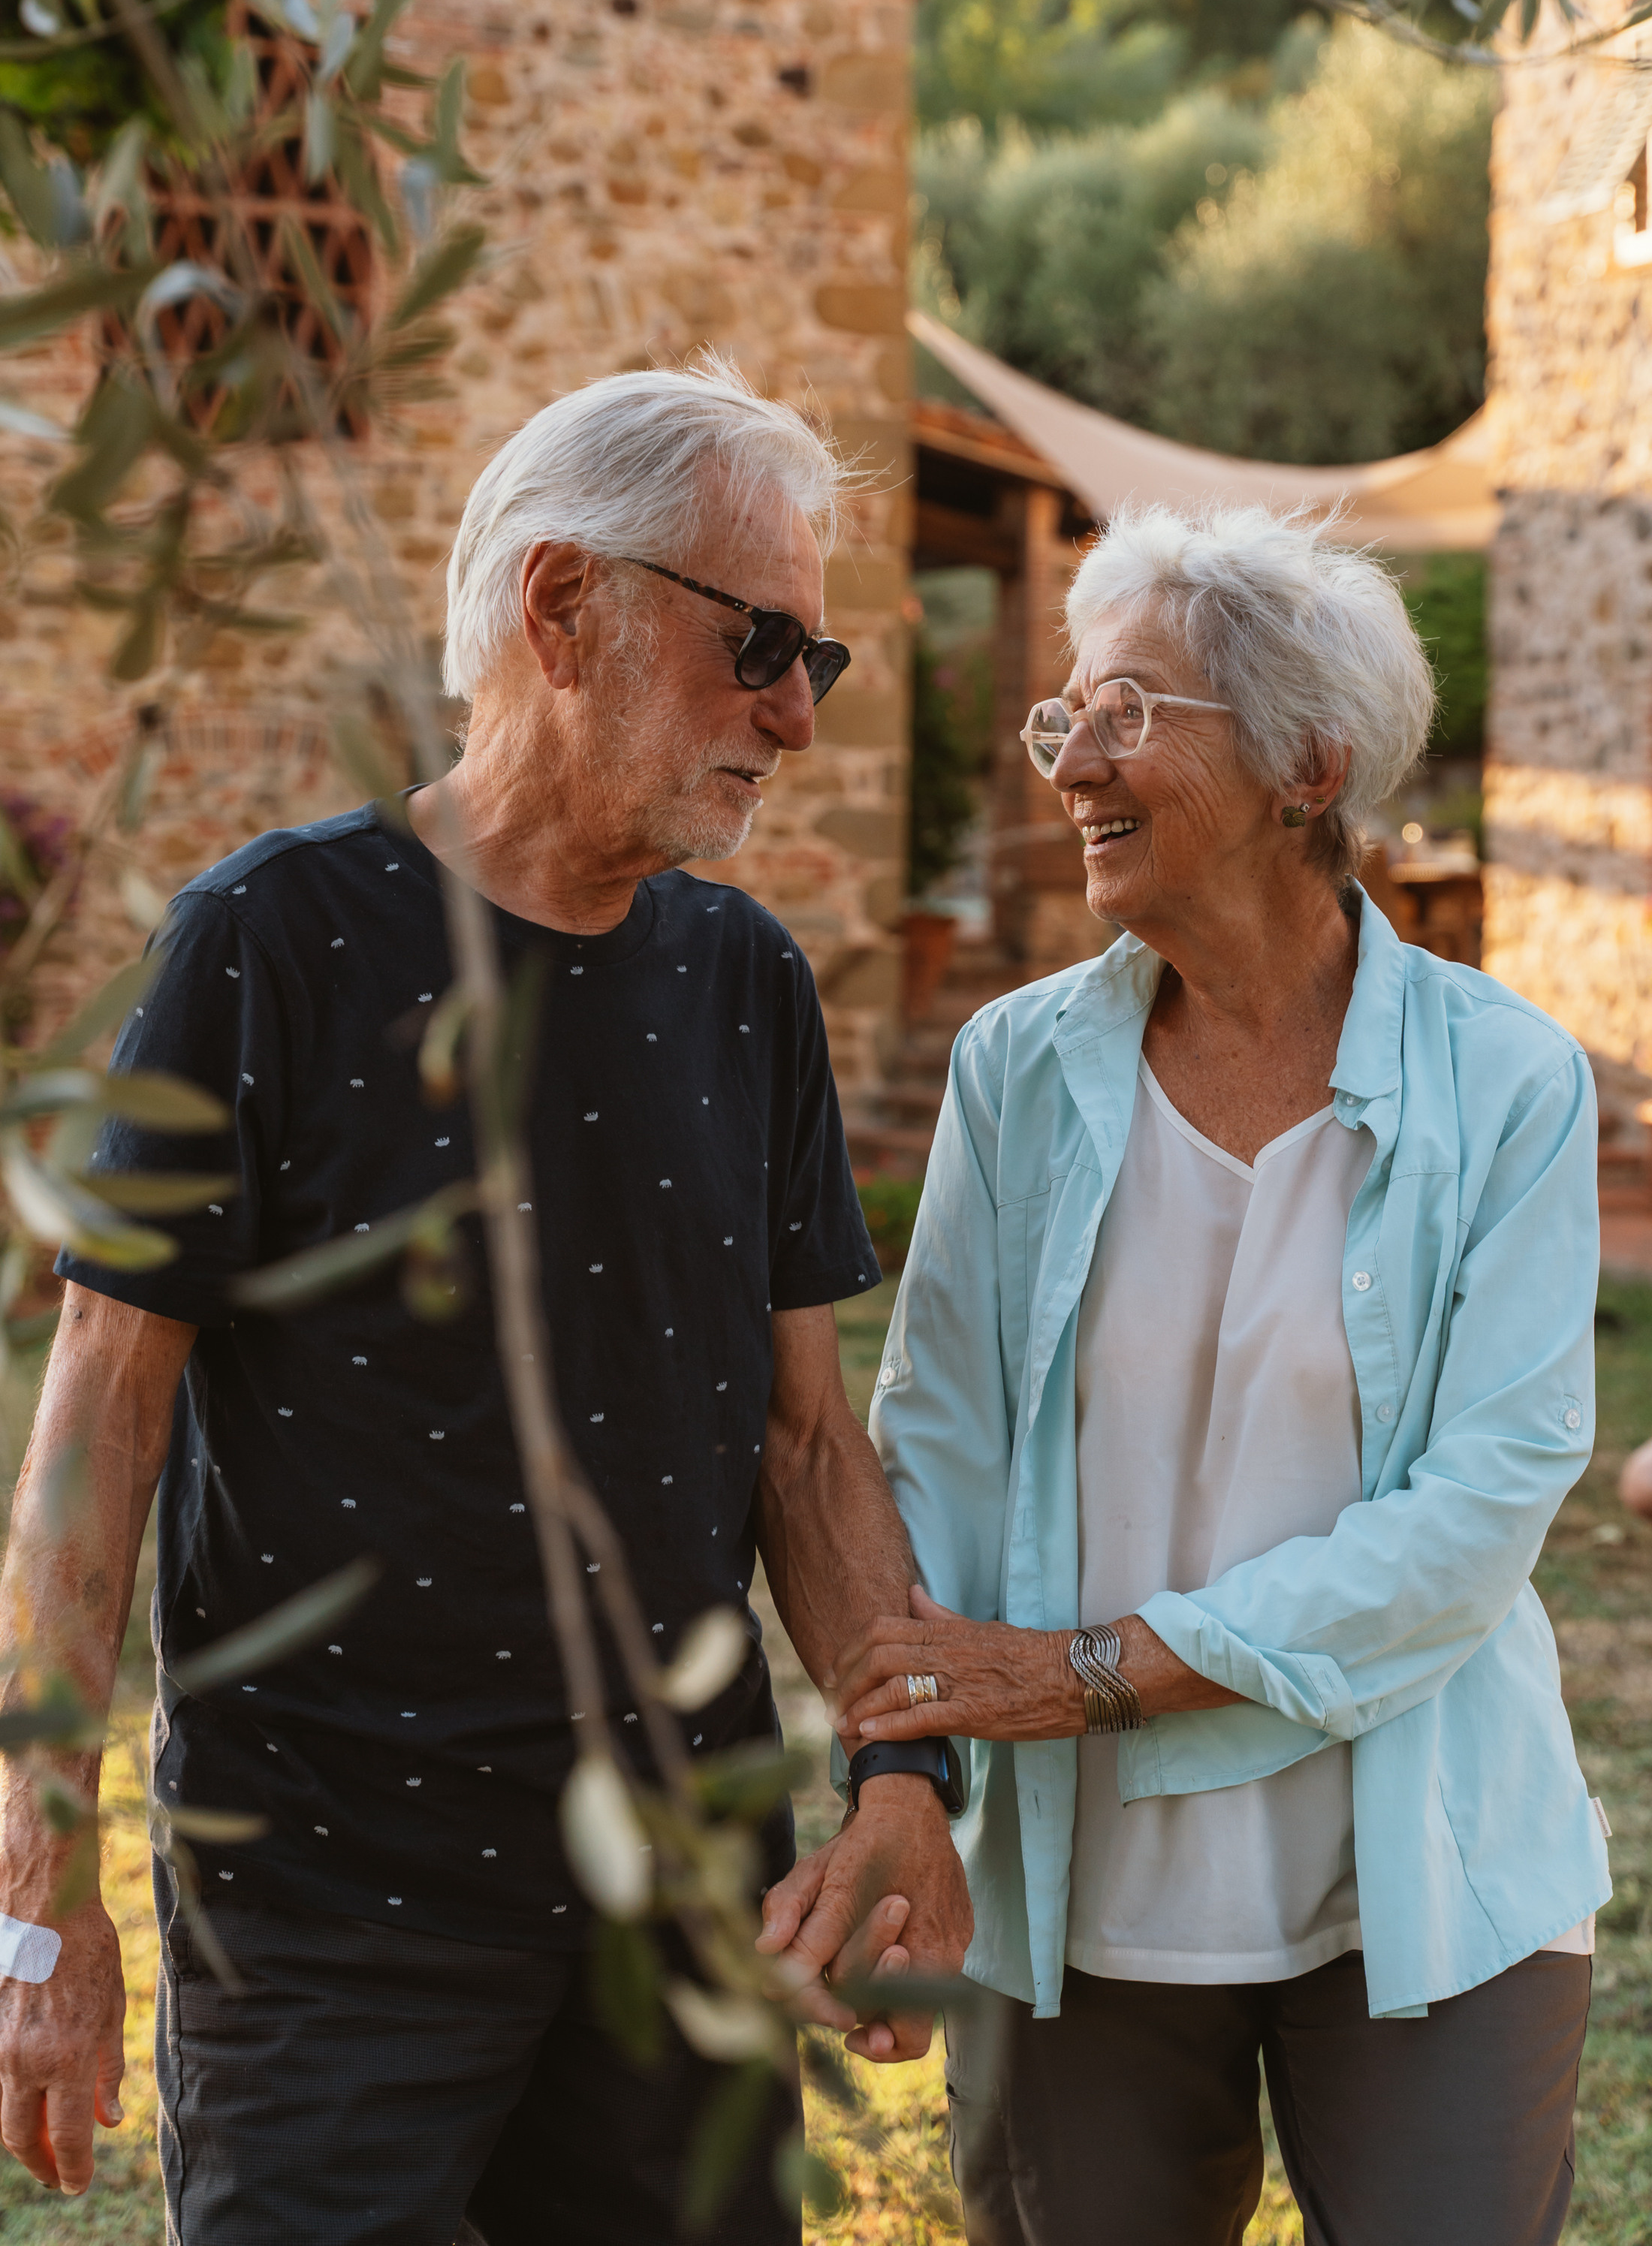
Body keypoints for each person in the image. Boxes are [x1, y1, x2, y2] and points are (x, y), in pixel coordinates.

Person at [0, 359, 969, 2241]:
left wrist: (899, 1767)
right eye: (761, 642)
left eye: (818, 665)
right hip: (324, 1913)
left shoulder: (746, 981)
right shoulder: (269, 944)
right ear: (561, 605)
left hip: (682, 1920)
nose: (795, 712)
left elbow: (801, 1438)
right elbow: (96, 1423)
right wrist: (38, 1876)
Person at [766, 505, 1611, 2246]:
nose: (1072, 757)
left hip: (1432, 1887)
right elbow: (937, 1451)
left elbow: (1471, 1521)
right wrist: (901, 1788)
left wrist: (1084, 1674)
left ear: (1308, 764)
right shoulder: (1017, 1068)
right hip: (1082, 1913)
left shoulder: (1509, 1084)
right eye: (1063, 715)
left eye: (1130, 712)